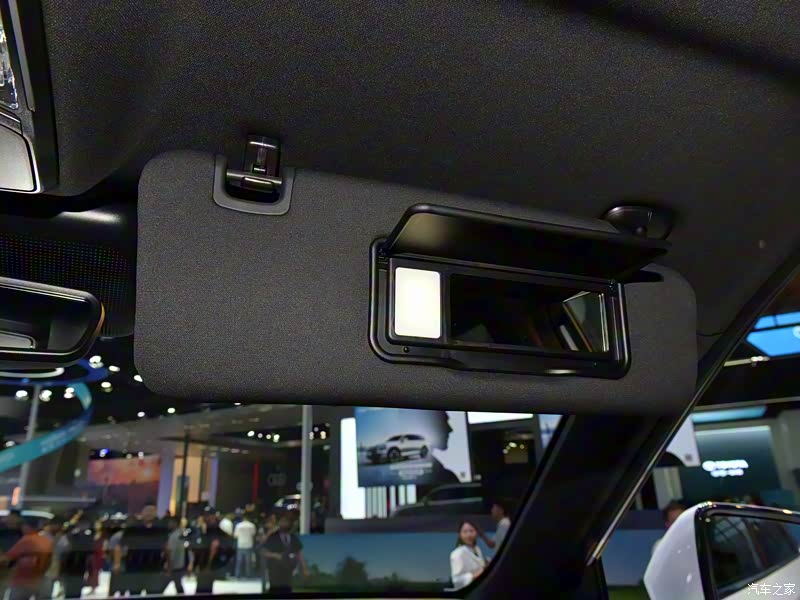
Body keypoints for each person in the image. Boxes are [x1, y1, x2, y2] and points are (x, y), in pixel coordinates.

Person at [113, 505, 168, 595]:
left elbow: (166, 547)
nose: (149, 513)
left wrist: (168, 564)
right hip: (134, 567)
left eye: (152, 511)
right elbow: (119, 546)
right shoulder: (133, 528)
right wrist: (117, 563)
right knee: (134, 593)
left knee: (154, 594)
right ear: (142, 513)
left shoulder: (160, 529)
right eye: (147, 510)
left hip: (154, 567)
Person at [0, 519, 54, 600]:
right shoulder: (46, 541)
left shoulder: (27, 540)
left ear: (27, 527)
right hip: (42, 580)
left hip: (23, 582)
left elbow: (7, 558)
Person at [262, 514, 308, 593]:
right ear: (279, 523)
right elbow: (263, 552)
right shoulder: (273, 537)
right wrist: (275, 555)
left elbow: (299, 553)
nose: (285, 523)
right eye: (283, 521)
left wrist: (304, 568)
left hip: (288, 572)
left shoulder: (293, 537)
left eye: (286, 521)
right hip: (275, 571)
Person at [189, 513, 233, 593]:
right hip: (205, 564)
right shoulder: (204, 531)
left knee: (204, 587)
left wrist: (208, 565)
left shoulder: (213, 532)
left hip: (207, 565)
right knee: (204, 587)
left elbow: (214, 548)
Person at [449, 520, 486, 590]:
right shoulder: (457, 553)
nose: (469, 535)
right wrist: (477, 574)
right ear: (460, 535)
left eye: (471, 531)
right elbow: (456, 580)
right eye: (465, 532)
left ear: (476, 533)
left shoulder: (477, 549)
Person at [165, 518, 186, 594]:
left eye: (170, 522)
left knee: (160, 587)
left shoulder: (174, 536)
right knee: (178, 586)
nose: (169, 524)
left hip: (173, 566)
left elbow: (170, 552)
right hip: (179, 565)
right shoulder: (180, 534)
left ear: (175, 524)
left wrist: (169, 567)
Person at [233, 514, 256, 578]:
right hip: (249, 544)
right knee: (248, 561)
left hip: (240, 544)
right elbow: (253, 534)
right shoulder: (252, 525)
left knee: (239, 561)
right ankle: (248, 575)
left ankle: (237, 574)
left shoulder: (238, 525)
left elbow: (235, 536)